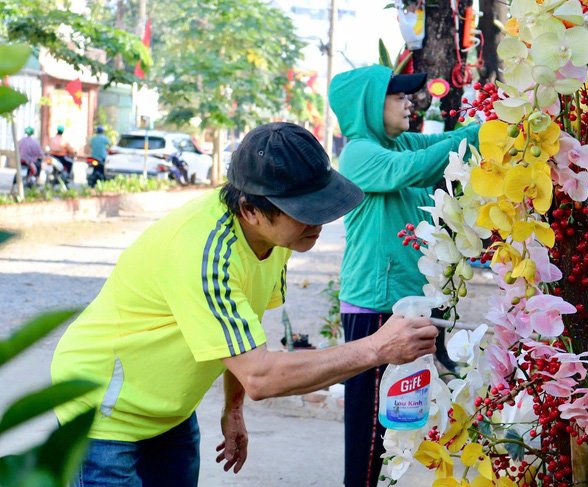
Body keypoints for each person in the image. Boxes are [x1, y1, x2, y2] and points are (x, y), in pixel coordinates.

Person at [50, 122, 438, 487]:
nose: (318, 222)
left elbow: (245, 331)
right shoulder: (205, 253)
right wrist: (377, 347)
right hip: (103, 410)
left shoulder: (276, 238)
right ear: (250, 209)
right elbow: (260, 376)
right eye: (304, 212)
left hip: (169, 412)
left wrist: (232, 408)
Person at [328, 64, 480, 487]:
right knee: (371, 428)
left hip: (408, 305)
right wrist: (480, 132)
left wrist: (482, 128)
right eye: (397, 97)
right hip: (375, 308)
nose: (408, 102)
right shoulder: (359, 152)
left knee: (406, 415)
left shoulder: (399, 144)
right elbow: (416, 168)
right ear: (369, 107)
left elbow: (444, 148)